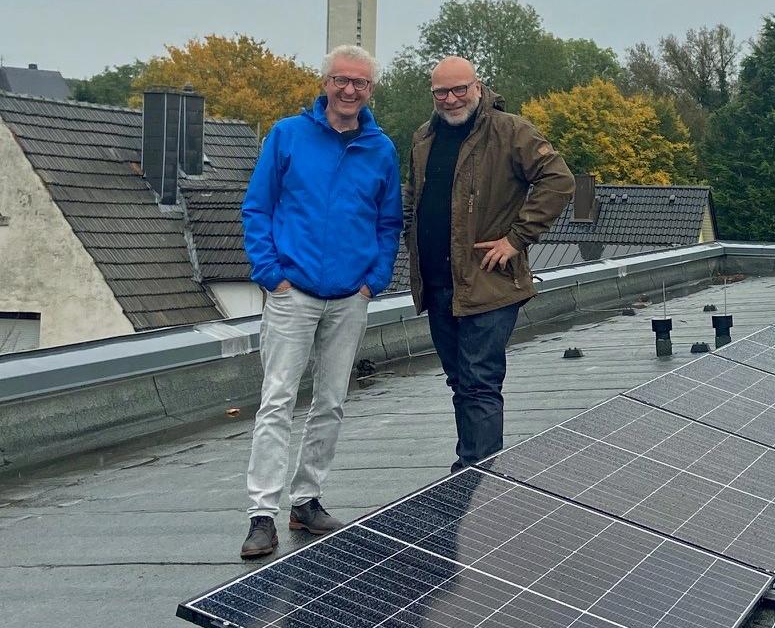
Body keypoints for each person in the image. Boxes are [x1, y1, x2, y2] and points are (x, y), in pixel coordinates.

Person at [238, 45, 403, 560]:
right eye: (341, 80)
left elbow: (389, 221)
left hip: (350, 295)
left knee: (331, 401)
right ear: (325, 82)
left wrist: (373, 280)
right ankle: (261, 513)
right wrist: (270, 275)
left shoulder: (381, 149)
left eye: (360, 83)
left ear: (371, 90)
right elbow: (257, 207)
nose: (350, 90)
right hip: (293, 293)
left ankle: (306, 499)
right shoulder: (288, 135)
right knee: (278, 400)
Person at [406, 56, 574, 472]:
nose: (451, 99)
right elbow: (415, 198)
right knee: (460, 382)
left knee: (479, 381)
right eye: (441, 92)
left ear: (478, 87)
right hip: (440, 282)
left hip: (489, 281)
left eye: (459, 89)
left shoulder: (510, 131)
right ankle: (469, 467)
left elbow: (559, 181)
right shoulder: (424, 137)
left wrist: (517, 239)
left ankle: (477, 476)